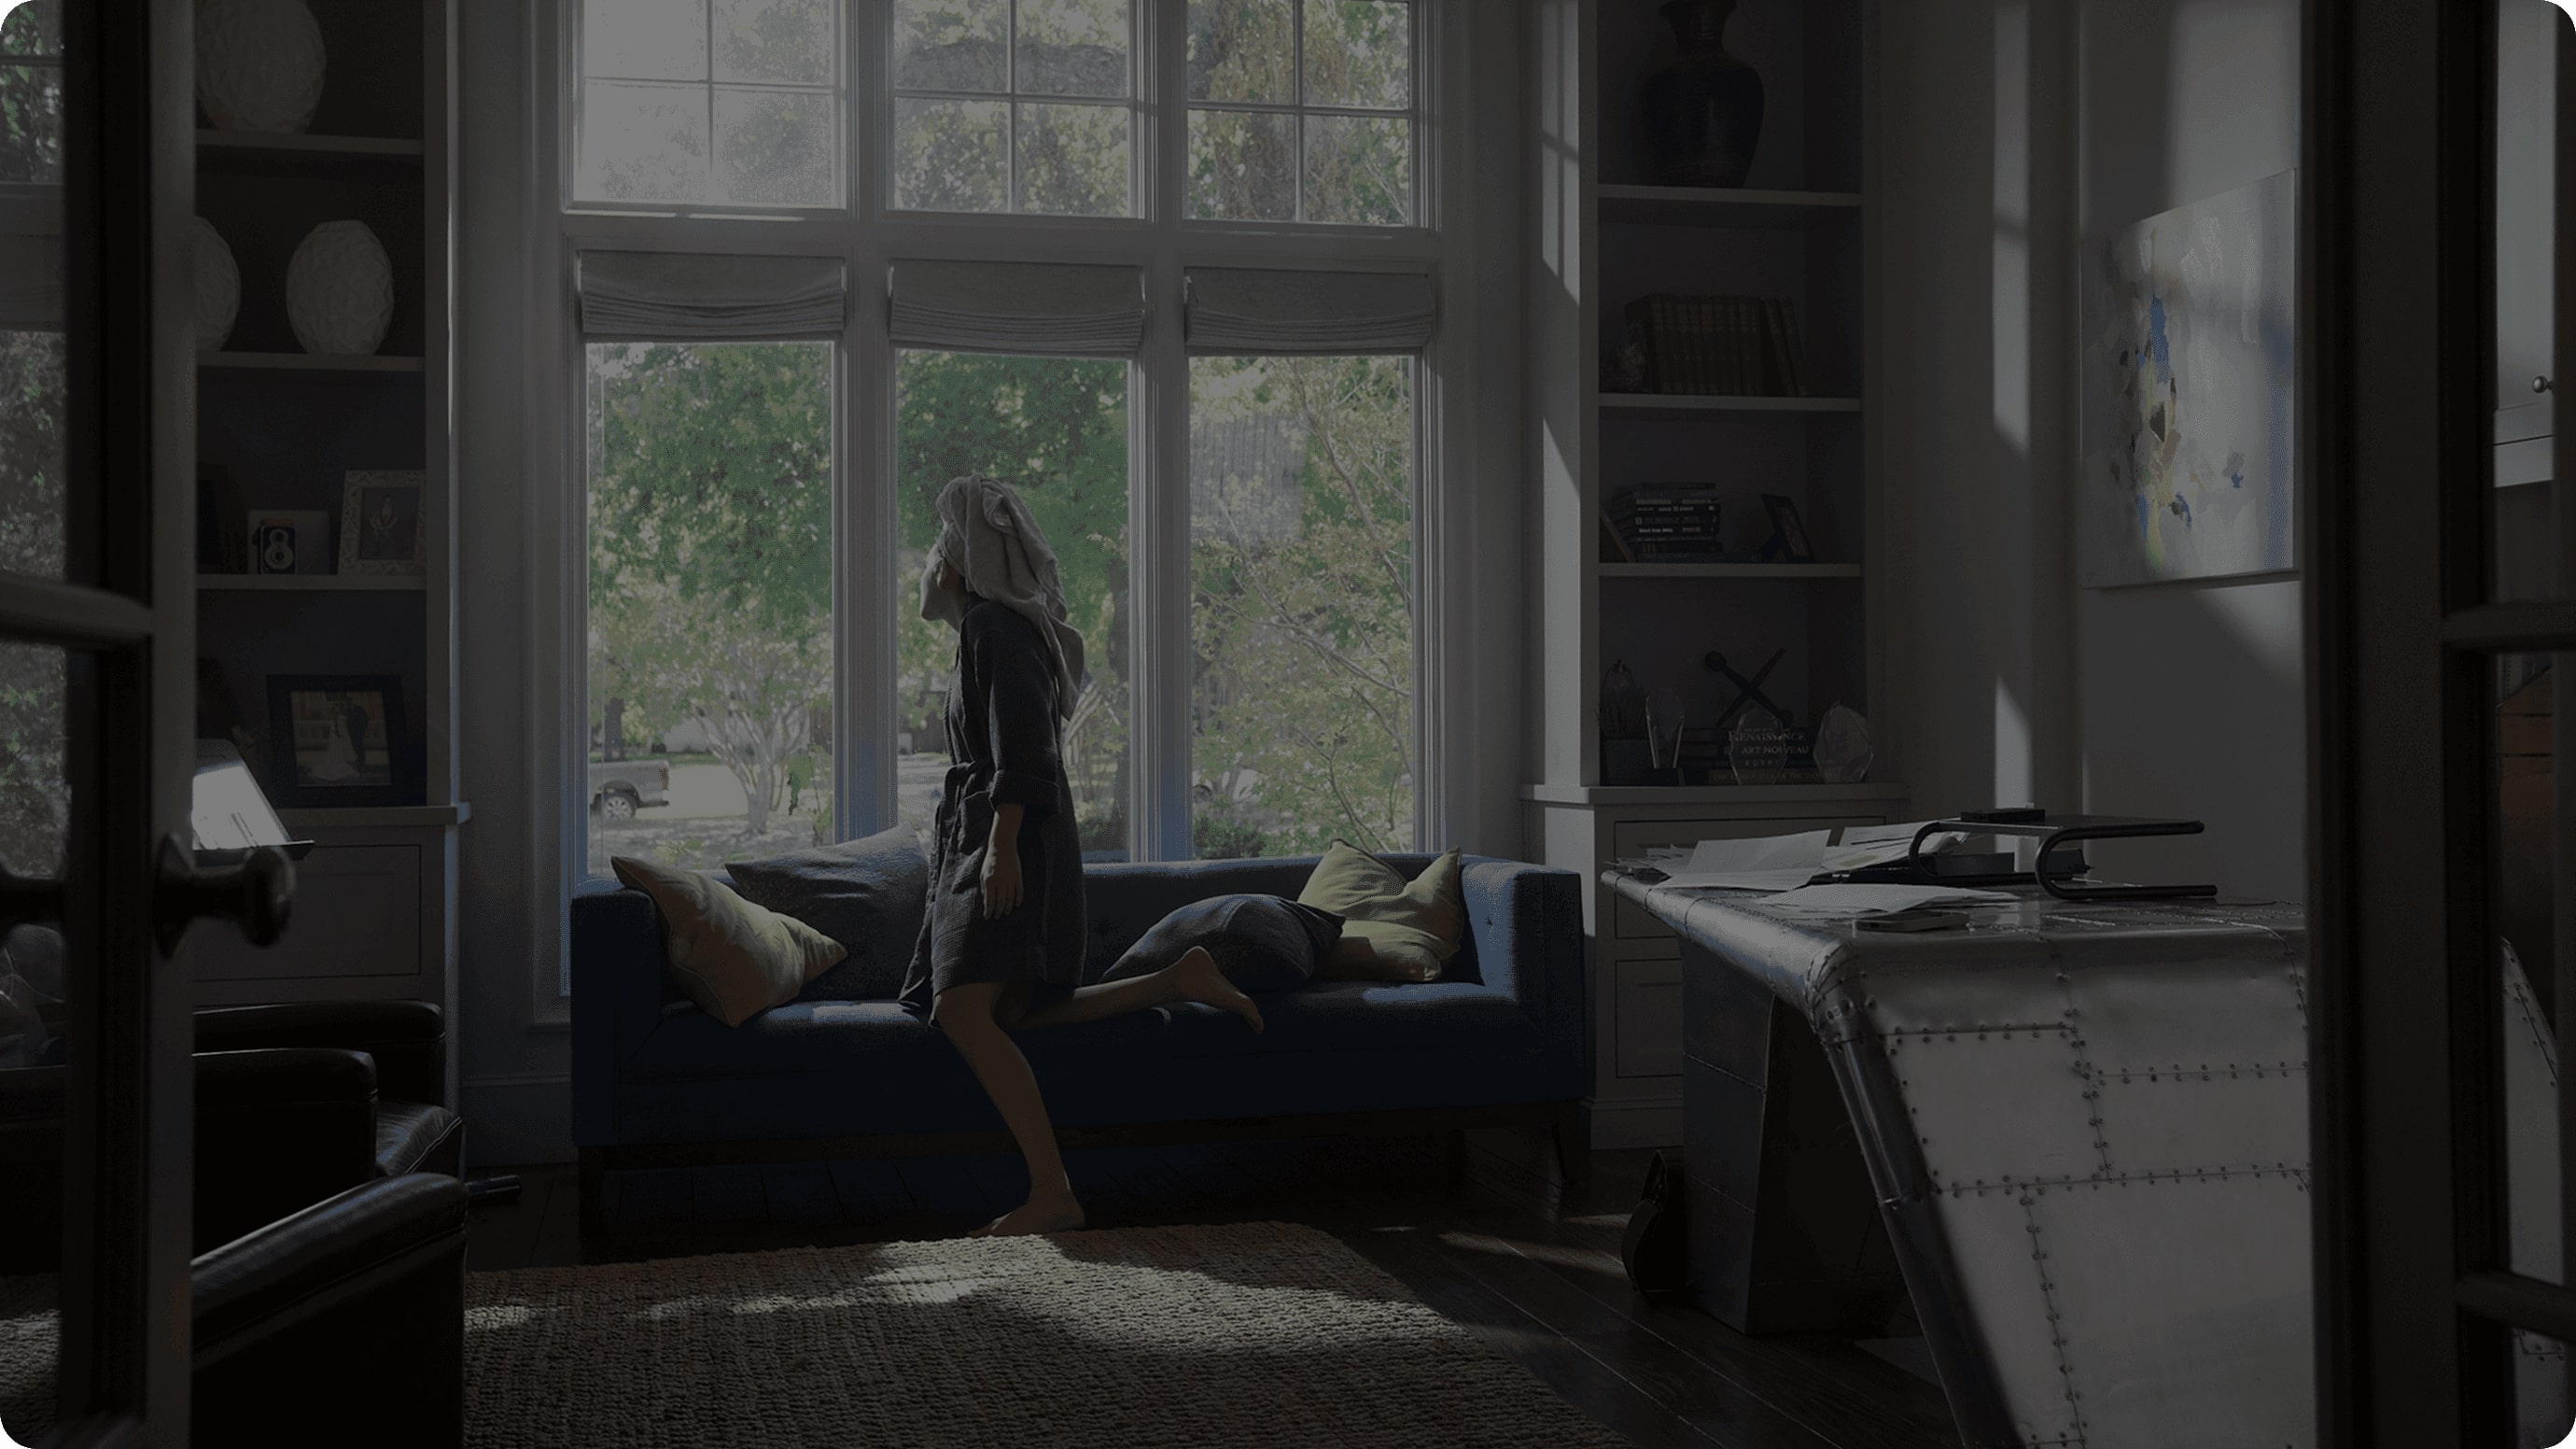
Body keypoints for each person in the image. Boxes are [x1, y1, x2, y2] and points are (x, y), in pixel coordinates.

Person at [900, 474, 1262, 1237]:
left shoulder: (996, 627)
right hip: (991, 837)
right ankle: (1177, 977)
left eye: (939, 550)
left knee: (962, 1011)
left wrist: (1001, 850)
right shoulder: (986, 630)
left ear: (963, 563)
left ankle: (1052, 1194)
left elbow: (1025, 747)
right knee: (1018, 1011)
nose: (929, 566)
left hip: (1008, 841)